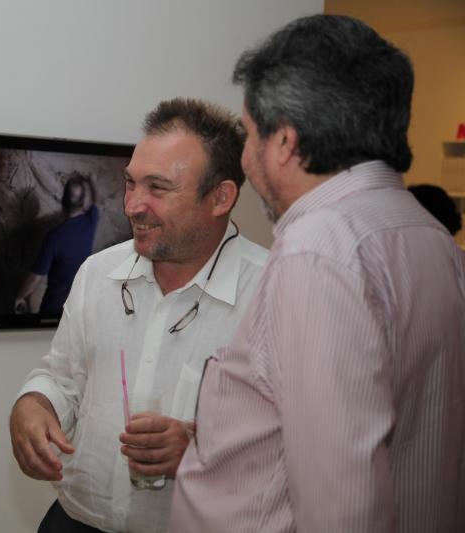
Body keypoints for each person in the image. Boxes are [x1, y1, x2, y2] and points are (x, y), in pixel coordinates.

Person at [170, 15, 465, 533]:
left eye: (250, 134)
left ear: (285, 141)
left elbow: (342, 507)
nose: (246, 156)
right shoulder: (431, 236)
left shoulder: (317, 251)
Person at [9, 98, 269, 533]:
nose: (132, 205)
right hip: (74, 522)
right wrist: (33, 404)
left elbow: (305, 443)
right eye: (130, 183)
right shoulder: (97, 273)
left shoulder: (273, 293)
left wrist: (201, 448)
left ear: (220, 198)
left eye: (158, 188)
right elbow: (61, 376)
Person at [15, 171, 100, 315]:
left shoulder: (54, 237)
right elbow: (97, 202)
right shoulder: (90, 222)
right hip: (79, 310)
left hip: (54, 311)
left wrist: (20, 296)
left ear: (63, 201)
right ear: (83, 203)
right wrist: (92, 181)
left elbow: (35, 277)